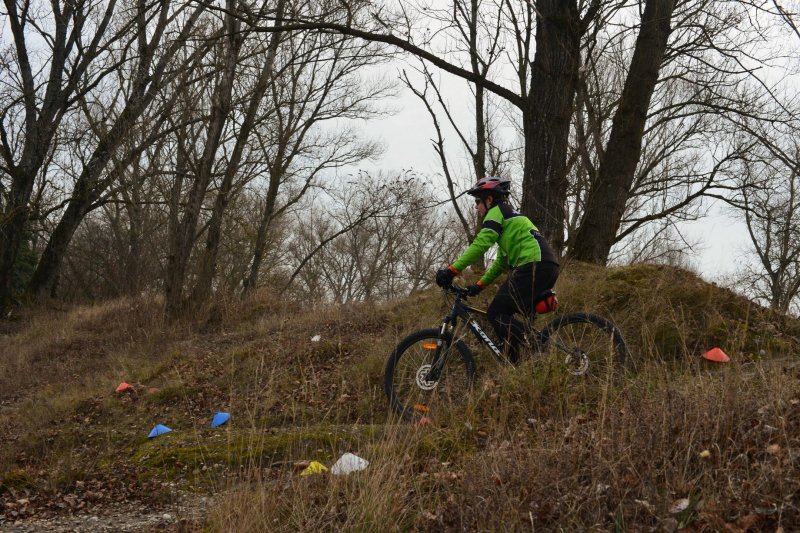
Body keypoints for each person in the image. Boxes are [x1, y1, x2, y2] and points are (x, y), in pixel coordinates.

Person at [435, 176, 560, 363]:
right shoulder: (509, 219)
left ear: (489, 199)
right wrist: (478, 286)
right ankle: (517, 362)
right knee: (507, 316)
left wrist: (451, 270)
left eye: (478, 201)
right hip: (547, 265)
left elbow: (480, 244)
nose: (476, 206)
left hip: (533, 264)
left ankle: (537, 347)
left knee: (496, 313)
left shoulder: (496, 212)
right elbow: (501, 263)